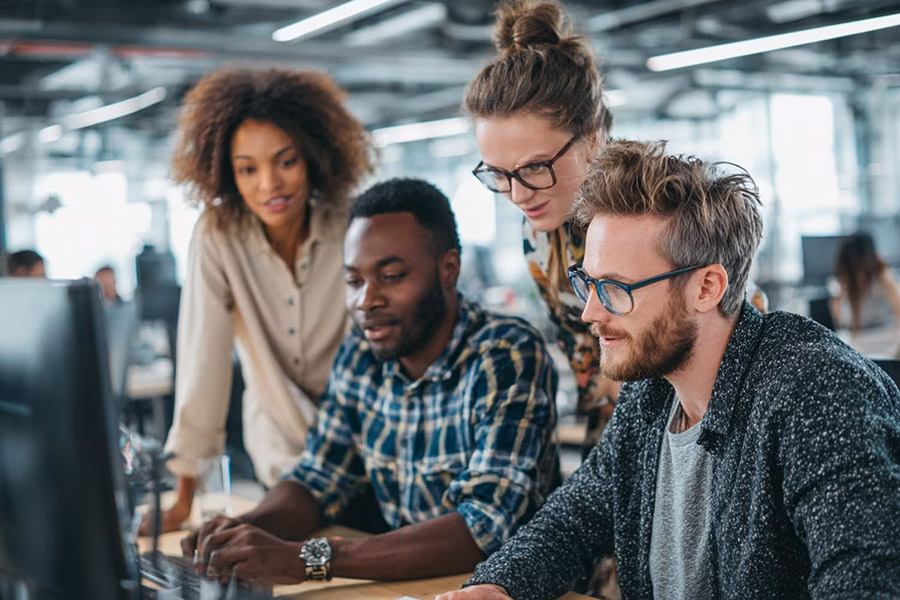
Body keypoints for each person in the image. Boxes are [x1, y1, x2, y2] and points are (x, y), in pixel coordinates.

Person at [438, 140, 900, 600]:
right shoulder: (652, 393)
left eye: (616, 288)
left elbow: (863, 581)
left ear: (707, 287)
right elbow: (573, 519)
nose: (590, 313)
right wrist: (495, 586)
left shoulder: (814, 390)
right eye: (588, 283)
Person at [181, 178, 560, 584]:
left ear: (448, 269)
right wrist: (245, 530)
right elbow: (319, 477)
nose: (366, 301)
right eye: (353, 281)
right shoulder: (360, 354)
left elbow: (482, 528)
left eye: (392, 276)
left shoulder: (506, 355)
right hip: (416, 587)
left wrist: (308, 559)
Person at [148, 67, 372, 534]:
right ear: (227, 173)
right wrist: (183, 500)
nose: (269, 184)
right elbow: (202, 361)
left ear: (312, 156)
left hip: (368, 454)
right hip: (281, 459)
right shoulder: (217, 235)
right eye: (247, 169)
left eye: (285, 161)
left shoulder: (352, 223)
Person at [463, 0, 619, 448]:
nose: (516, 193)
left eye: (534, 167)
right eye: (498, 173)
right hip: (610, 431)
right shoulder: (540, 230)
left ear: (591, 140)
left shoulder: (652, 219)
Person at [831, 232, 900, 331]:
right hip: (855, 335)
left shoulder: (882, 276)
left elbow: (898, 306)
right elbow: (839, 317)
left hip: (882, 334)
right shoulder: (844, 281)